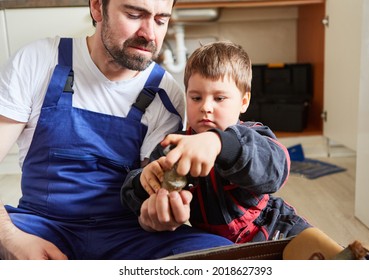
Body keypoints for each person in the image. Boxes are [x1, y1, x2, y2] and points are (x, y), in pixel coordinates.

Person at [0, 0, 233, 260]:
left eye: (161, 20)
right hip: (38, 227)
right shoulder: (38, 60)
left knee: (222, 257)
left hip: (126, 236)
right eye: (134, 15)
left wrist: (158, 214)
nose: (149, 34)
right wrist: (12, 239)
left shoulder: (166, 94)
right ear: (98, 8)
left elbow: (145, 193)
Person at [121, 41, 311, 243]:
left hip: (273, 228)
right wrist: (143, 183)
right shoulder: (173, 147)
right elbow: (131, 198)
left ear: (244, 101)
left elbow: (276, 168)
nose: (206, 107)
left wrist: (219, 143)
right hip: (211, 242)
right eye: (196, 98)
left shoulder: (252, 134)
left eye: (219, 98)